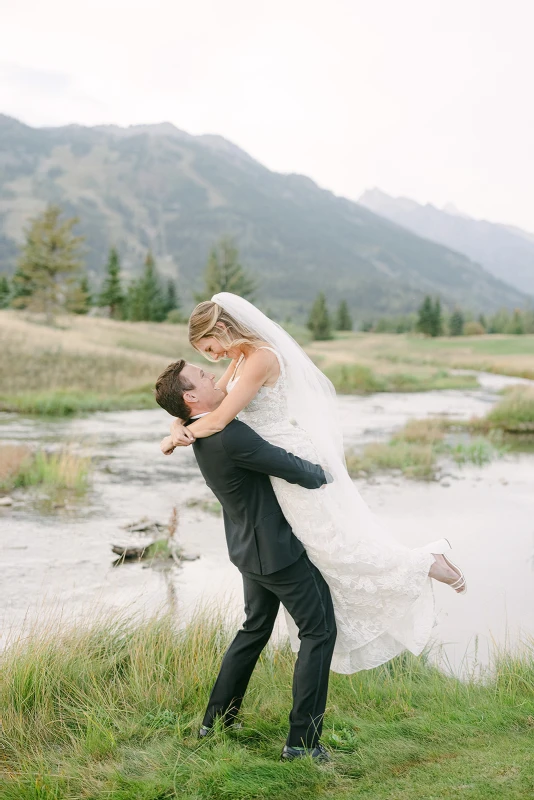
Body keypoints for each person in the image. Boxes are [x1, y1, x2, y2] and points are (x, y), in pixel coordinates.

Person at [163, 293, 467, 675]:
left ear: (221, 329)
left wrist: (176, 435)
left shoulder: (261, 357)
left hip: (288, 457)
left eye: (210, 347)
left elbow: (219, 418)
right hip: (269, 459)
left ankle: (424, 561)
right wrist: (177, 424)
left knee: (328, 546)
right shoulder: (241, 356)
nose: (213, 358)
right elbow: (207, 405)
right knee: (319, 548)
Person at [156, 359, 336, 761]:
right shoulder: (228, 434)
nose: (214, 377)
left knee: (254, 629)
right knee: (319, 632)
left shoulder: (202, 432)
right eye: (204, 375)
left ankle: (215, 721)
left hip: (247, 549)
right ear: (190, 397)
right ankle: (302, 743)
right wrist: (329, 472)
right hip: (278, 554)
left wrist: (172, 430)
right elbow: (295, 470)